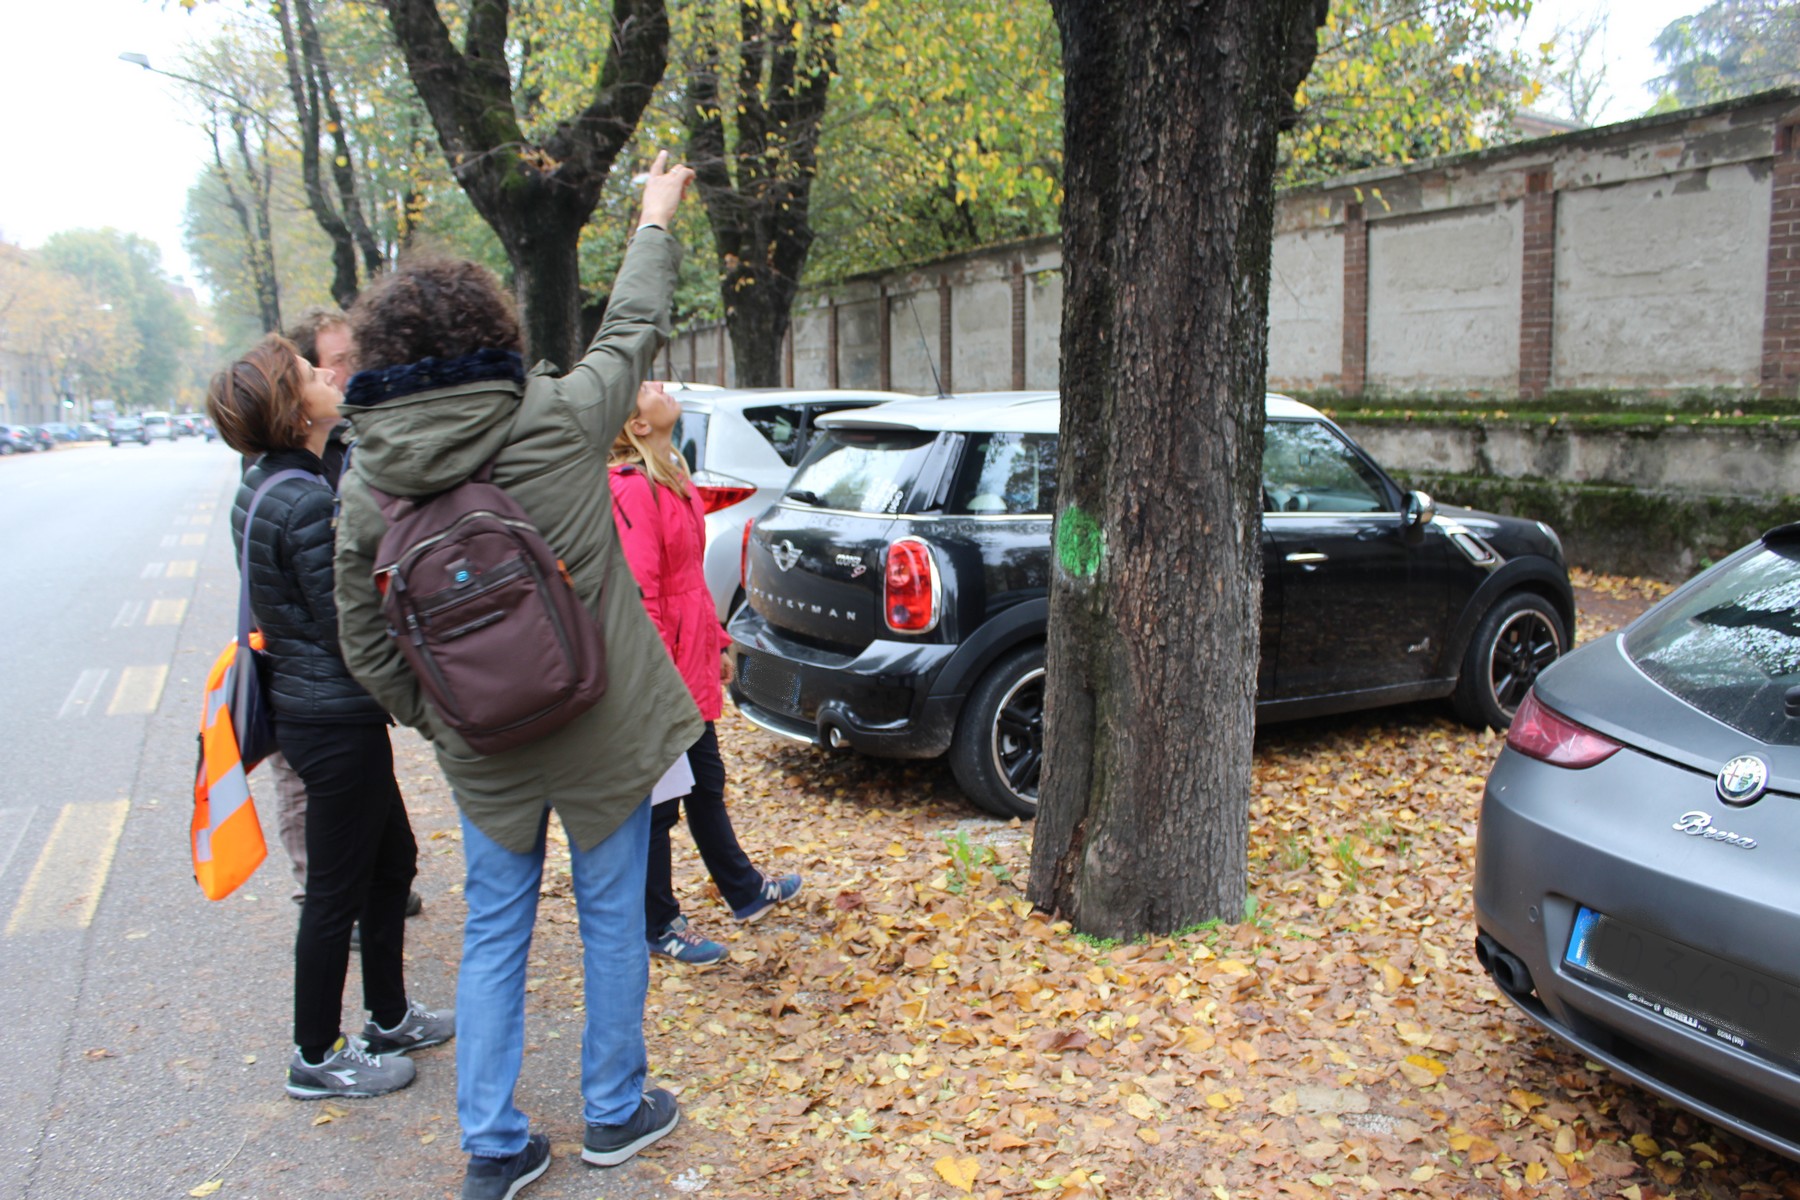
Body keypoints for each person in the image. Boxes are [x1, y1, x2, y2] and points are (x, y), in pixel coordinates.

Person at [332, 153, 701, 1200]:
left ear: (385, 354)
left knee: (495, 927)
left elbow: (365, 641)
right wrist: (653, 215)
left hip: (483, 747)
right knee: (611, 913)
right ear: (493, 332)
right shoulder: (555, 416)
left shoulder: (369, 481)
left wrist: (448, 716)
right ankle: (615, 1110)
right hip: (600, 722)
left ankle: (494, 1146)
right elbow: (632, 331)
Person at [205, 337, 452, 1103]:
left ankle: (387, 1015)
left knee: (393, 863)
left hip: (320, 712)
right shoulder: (306, 498)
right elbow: (348, 619)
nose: (328, 378)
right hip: (332, 719)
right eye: (313, 374)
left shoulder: (268, 483)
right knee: (337, 893)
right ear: (291, 404)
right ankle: (315, 1053)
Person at [608, 381, 802, 966]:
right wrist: (657, 682)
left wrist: (715, 642)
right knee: (660, 803)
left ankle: (744, 891)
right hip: (659, 675)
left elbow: (688, 581)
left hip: (687, 662)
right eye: (644, 388)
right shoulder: (632, 489)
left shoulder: (671, 472)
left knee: (706, 780)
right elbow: (642, 594)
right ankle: (659, 922)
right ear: (638, 425)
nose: (658, 386)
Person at [261, 308, 425, 928]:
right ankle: (330, 901)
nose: (348, 372)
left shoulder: (340, 448)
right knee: (315, 812)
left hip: (339, 682)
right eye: (334, 362)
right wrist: (393, 669)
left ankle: (369, 902)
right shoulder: (298, 483)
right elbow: (330, 605)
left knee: (386, 845)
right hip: (319, 685)